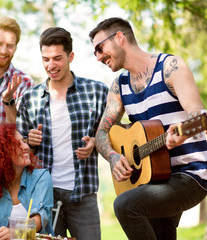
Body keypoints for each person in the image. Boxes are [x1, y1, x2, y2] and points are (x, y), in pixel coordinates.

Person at [89, 17, 207, 240]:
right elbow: (102, 133)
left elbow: (199, 116)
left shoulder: (171, 67)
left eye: (99, 48)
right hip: (153, 177)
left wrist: (183, 132)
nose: (97, 57)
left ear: (120, 38)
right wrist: (114, 157)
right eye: (94, 52)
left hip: (190, 174)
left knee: (126, 205)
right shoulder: (119, 85)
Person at [16, 27, 108, 240]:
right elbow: (19, 150)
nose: (51, 65)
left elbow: (114, 133)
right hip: (43, 196)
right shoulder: (30, 99)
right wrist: (30, 142)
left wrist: (96, 141)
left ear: (70, 56)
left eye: (57, 58)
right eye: (46, 59)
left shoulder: (97, 92)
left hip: (83, 193)